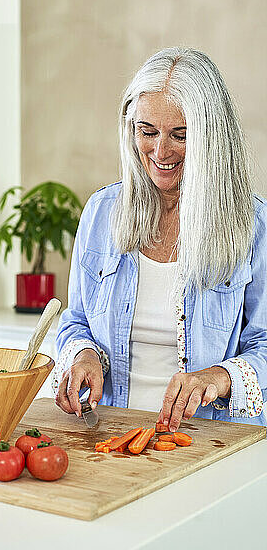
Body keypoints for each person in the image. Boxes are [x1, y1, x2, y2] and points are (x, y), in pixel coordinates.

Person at [52, 47, 267, 431]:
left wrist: (217, 377)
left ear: (211, 138)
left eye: (180, 135)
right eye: (146, 131)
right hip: (110, 436)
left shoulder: (254, 226)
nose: (160, 151)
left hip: (210, 443)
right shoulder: (102, 212)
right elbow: (76, 319)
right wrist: (82, 355)